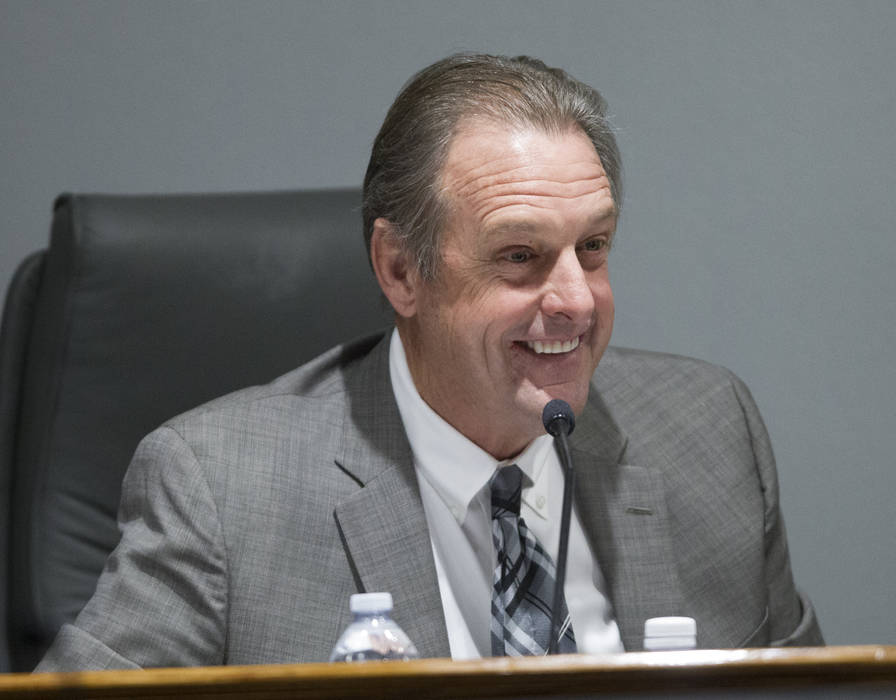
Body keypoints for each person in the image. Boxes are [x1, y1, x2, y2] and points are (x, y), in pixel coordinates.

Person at [37, 53, 821, 670]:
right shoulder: (221, 490)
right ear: (400, 271)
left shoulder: (708, 433)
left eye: (593, 247)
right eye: (520, 256)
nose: (577, 301)